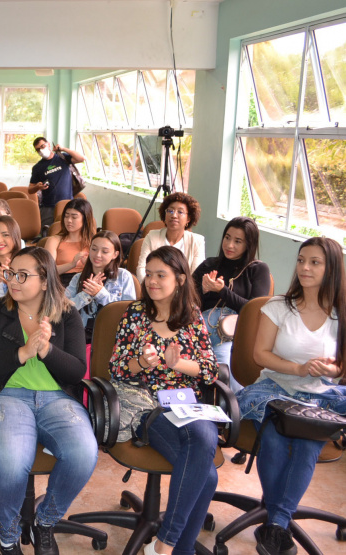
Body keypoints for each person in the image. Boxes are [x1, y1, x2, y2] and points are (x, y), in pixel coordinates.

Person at [0, 246, 97, 555]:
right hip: (6, 397)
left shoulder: (66, 314)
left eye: (22, 275)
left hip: (56, 398)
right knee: (13, 462)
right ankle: (9, 535)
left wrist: (47, 352)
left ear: (44, 281)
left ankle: (46, 521)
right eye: (11, 272)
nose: (13, 280)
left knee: (83, 453)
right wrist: (21, 354)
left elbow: (78, 370)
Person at [236, 237, 346, 555]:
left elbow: (341, 366)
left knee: (307, 442)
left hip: (320, 395)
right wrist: (299, 370)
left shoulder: (340, 314)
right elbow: (260, 354)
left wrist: (330, 366)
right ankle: (279, 523)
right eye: (301, 260)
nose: (305, 268)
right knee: (274, 438)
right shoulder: (278, 307)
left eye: (314, 262)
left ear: (332, 269)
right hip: (275, 389)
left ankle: (275, 524)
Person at [110, 246, 219, 555]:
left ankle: (165, 545)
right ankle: (172, 546)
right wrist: (143, 363)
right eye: (149, 274)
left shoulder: (192, 316)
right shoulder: (134, 314)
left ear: (181, 279)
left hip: (185, 402)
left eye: (161, 275)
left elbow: (210, 371)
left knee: (203, 440)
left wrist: (177, 365)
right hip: (147, 407)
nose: (152, 281)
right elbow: (115, 368)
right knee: (207, 476)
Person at [193, 217, 271, 386]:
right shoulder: (209, 264)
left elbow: (255, 310)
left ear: (249, 244)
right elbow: (185, 302)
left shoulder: (257, 269)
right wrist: (203, 291)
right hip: (198, 330)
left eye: (238, 241)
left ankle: (232, 410)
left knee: (225, 373)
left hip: (230, 336)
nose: (229, 245)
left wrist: (222, 291)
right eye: (227, 238)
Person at [66, 230, 137, 369]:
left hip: (113, 338)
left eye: (105, 251)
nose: (97, 255)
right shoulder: (77, 278)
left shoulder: (124, 277)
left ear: (115, 254)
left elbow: (129, 313)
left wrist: (101, 294)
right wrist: (85, 295)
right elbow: (63, 309)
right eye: (94, 249)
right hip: (81, 337)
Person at [136, 192, 206, 283]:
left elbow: (196, 275)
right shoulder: (152, 236)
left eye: (180, 212)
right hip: (153, 288)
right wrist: (150, 286)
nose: (174, 215)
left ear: (188, 219)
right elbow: (141, 268)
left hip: (182, 293)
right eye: (170, 211)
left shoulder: (197, 241)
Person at [28, 137, 85, 230]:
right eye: (38, 149)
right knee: (47, 233)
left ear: (49, 144)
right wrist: (37, 187)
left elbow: (81, 158)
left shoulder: (62, 157)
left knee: (68, 231)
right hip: (48, 207)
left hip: (67, 204)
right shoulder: (37, 167)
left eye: (43, 146)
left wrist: (63, 149)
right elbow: (30, 190)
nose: (41, 150)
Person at [44, 198, 95, 287]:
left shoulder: (93, 242)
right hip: (62, 282)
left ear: (85, 219)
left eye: (74, 217)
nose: (69, 220)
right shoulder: (54, 240)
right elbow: (48, 270)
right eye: (66, 216)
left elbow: (103, 269)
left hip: (88, 282)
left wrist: (90, 265)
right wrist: (72, 264)